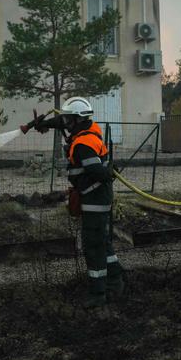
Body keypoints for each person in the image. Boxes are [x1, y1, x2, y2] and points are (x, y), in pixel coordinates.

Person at [25, 97, 124, 307]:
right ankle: (116, 281)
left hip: (95, 199)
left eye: (68, 119)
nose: (65, 122)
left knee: (93, 245)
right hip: (97, 196)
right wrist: (43, 124)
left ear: (78, 120)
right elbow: (60, 122)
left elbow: (97, 172)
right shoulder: (88, 129)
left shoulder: (83, 144)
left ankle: (98, 293)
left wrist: (109, 171)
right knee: (102, 240)